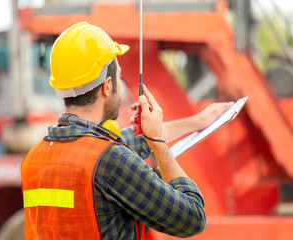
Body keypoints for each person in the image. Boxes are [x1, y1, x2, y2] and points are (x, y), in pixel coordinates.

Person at [21, 22, 233, 239]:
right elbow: (193, 218)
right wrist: (158, 144)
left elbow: (128, 140)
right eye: (119, 78)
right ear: (108, 86)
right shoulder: (110, 161)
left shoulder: (34, 158)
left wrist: (196, 122)